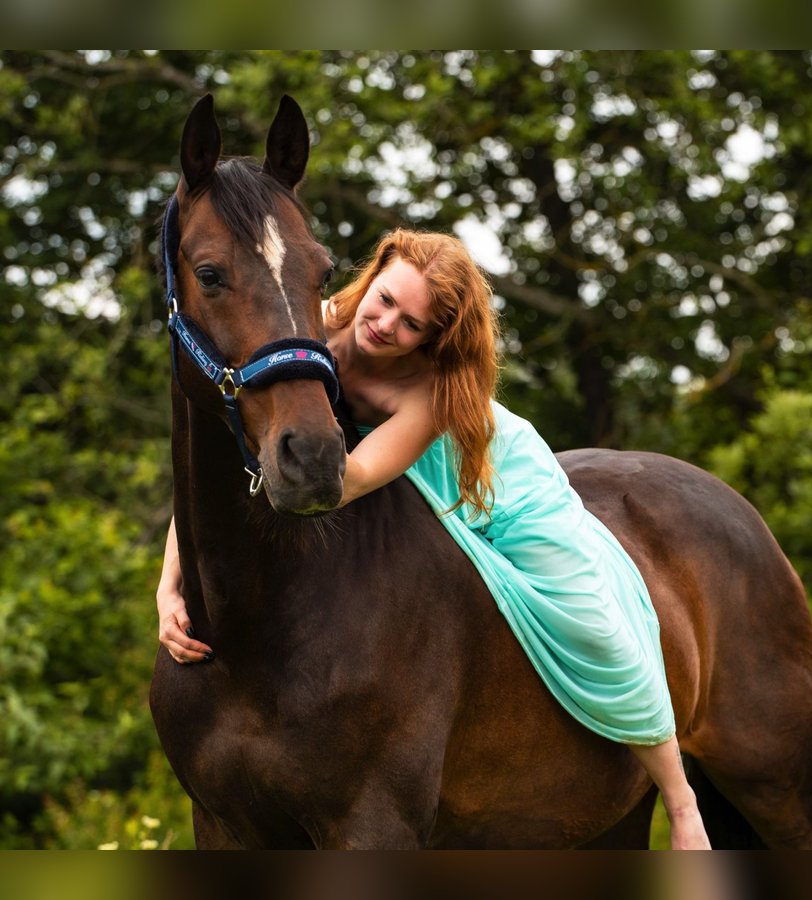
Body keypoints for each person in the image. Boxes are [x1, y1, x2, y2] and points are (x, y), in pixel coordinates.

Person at [156, 227, 711, 850]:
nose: (387, 324)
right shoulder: (321, 318)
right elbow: (230, 465)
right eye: (386, 299)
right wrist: (168, 583)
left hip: (492, 484)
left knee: (594, 620)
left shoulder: (430, 392)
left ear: (433, 338)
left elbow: (351, 478)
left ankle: (679, 796)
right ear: (374, 276)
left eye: (412, 324)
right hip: (360, 463)